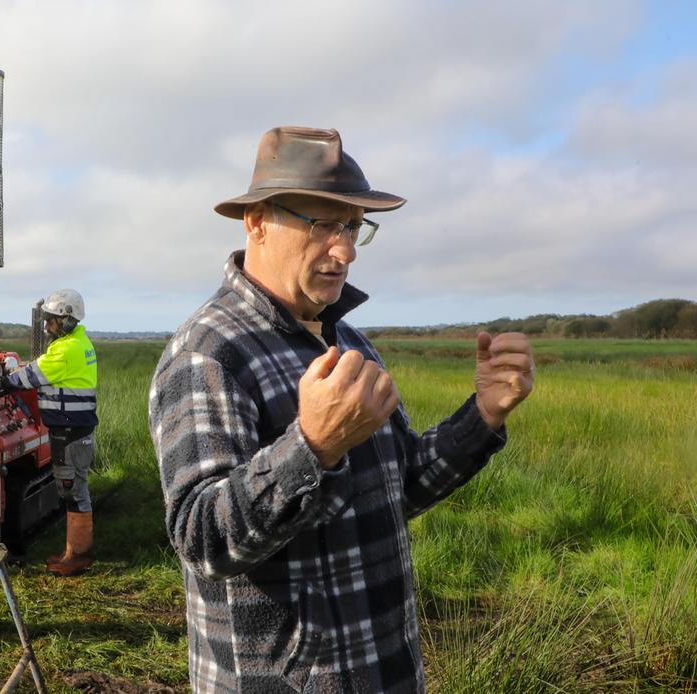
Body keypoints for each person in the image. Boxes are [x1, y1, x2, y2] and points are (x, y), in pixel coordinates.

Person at [148, 127, 535, 692]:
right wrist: (312, 447)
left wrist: (484, 415)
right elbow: (202, 539)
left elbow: (399, 487)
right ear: (256, 221)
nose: (345, 250)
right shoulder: (209, 352)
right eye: (321, 223)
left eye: (353, 226)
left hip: (386, 669)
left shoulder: (347, 341)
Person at [0, 289, 99, 576]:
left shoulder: (65, 350)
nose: (48, 327)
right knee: (74, 489)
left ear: (67, 320)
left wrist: (0, 384)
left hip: (69, 430)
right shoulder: (80, 342)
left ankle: (78, 556)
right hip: (75, 428)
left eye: (52, 321)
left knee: (73, 491)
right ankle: (74, 551)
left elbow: (31, 375)